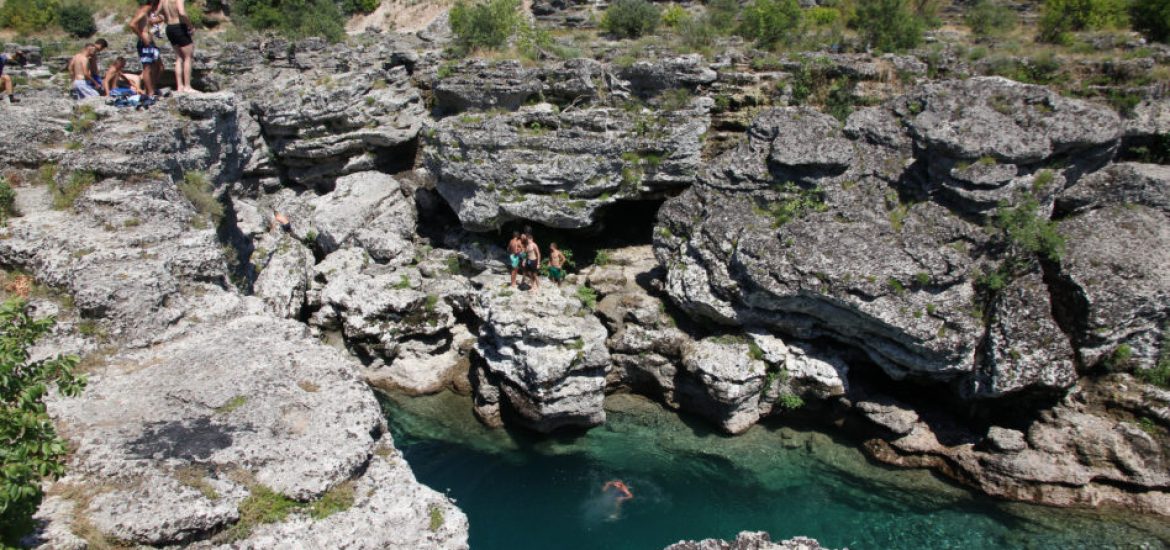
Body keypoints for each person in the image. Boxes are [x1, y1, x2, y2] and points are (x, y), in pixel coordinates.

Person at [159, 0, 197, 94]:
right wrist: (190, 26)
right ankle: (187, 86)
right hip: (179, 27)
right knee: (188, 57)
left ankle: (179, 86)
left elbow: (158, 11)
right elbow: (182, 12)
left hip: (169, 28)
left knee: (179, 58)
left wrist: (166, 18)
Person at [130, 0, 164, 98]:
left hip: (150, 43)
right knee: (147, 68)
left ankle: (150, 88)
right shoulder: (144, 10)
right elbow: (132, 24)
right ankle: (149, 92)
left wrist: (161, 18)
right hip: (145, 43)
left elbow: (148, 22)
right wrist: (141, 36)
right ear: (154, 4)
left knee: (159, 67)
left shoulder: (147, 11)